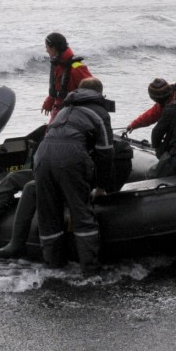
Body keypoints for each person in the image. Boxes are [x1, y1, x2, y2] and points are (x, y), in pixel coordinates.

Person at [34, 76, 115, 273]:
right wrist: (102, 187)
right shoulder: (100, 112)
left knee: (48, 213)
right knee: (81, 211)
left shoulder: (64, 110)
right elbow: (105, 151)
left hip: (42, 154)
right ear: (100, 94)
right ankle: (90, 268)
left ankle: (53, 266)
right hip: (71, 157)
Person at [41, 32, 93, 121]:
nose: (46, 51)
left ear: (53, 48)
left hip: (72, 114)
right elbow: (58, 89)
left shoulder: (77, 68)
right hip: (59, 111)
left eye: (47, 47)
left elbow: (93, 90)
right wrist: (50, 100)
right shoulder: (57, 64)